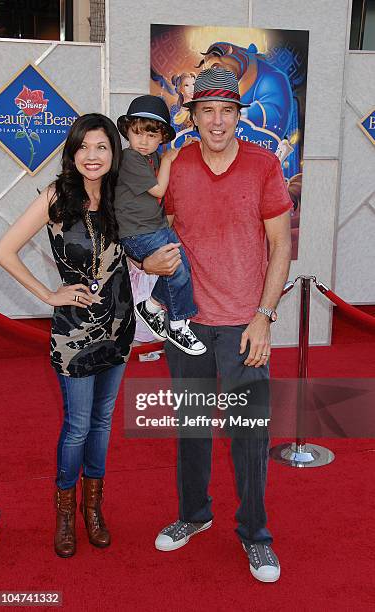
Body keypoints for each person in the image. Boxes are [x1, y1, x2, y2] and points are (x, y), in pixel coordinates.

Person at [141, 68, 292, 583]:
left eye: (228, 110)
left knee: (249, 435)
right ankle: (193, 515)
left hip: (244, 324)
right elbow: (149, 226)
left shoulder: (263, 164)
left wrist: (264, 317)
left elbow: (281, 245)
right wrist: (149, 262)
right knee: (192, 430)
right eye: (207, 110)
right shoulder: (177, 164)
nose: (218, 120)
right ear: (194, 116)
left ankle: (255, 534)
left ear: (238, 115)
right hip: (187, 322)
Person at [0, 114, 135, 558]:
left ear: (114, 153)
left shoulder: (122, 197)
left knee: (103, 422)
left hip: (119, 327)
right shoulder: (56, 196)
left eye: (102, 147)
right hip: (73, 334)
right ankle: (65, 513)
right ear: (72, 153)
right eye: (83, 147)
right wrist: (49, 294)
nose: (92, 156)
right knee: (76, 427)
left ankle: (93, 510)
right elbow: (3, 250)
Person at [116, 95, 206, 356]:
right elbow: (158, 190)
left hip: (154, 228)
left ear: (161, 137)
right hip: (138, 233)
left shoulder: (152, 156)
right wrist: (168, 160)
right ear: (128, 133)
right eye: (137, 133)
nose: (143, 141)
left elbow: (169, 158)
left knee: (183, 265)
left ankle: (152, 306)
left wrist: (181, 148)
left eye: (152, 135)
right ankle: (177, 323)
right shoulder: (131, 158)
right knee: (177, 269)